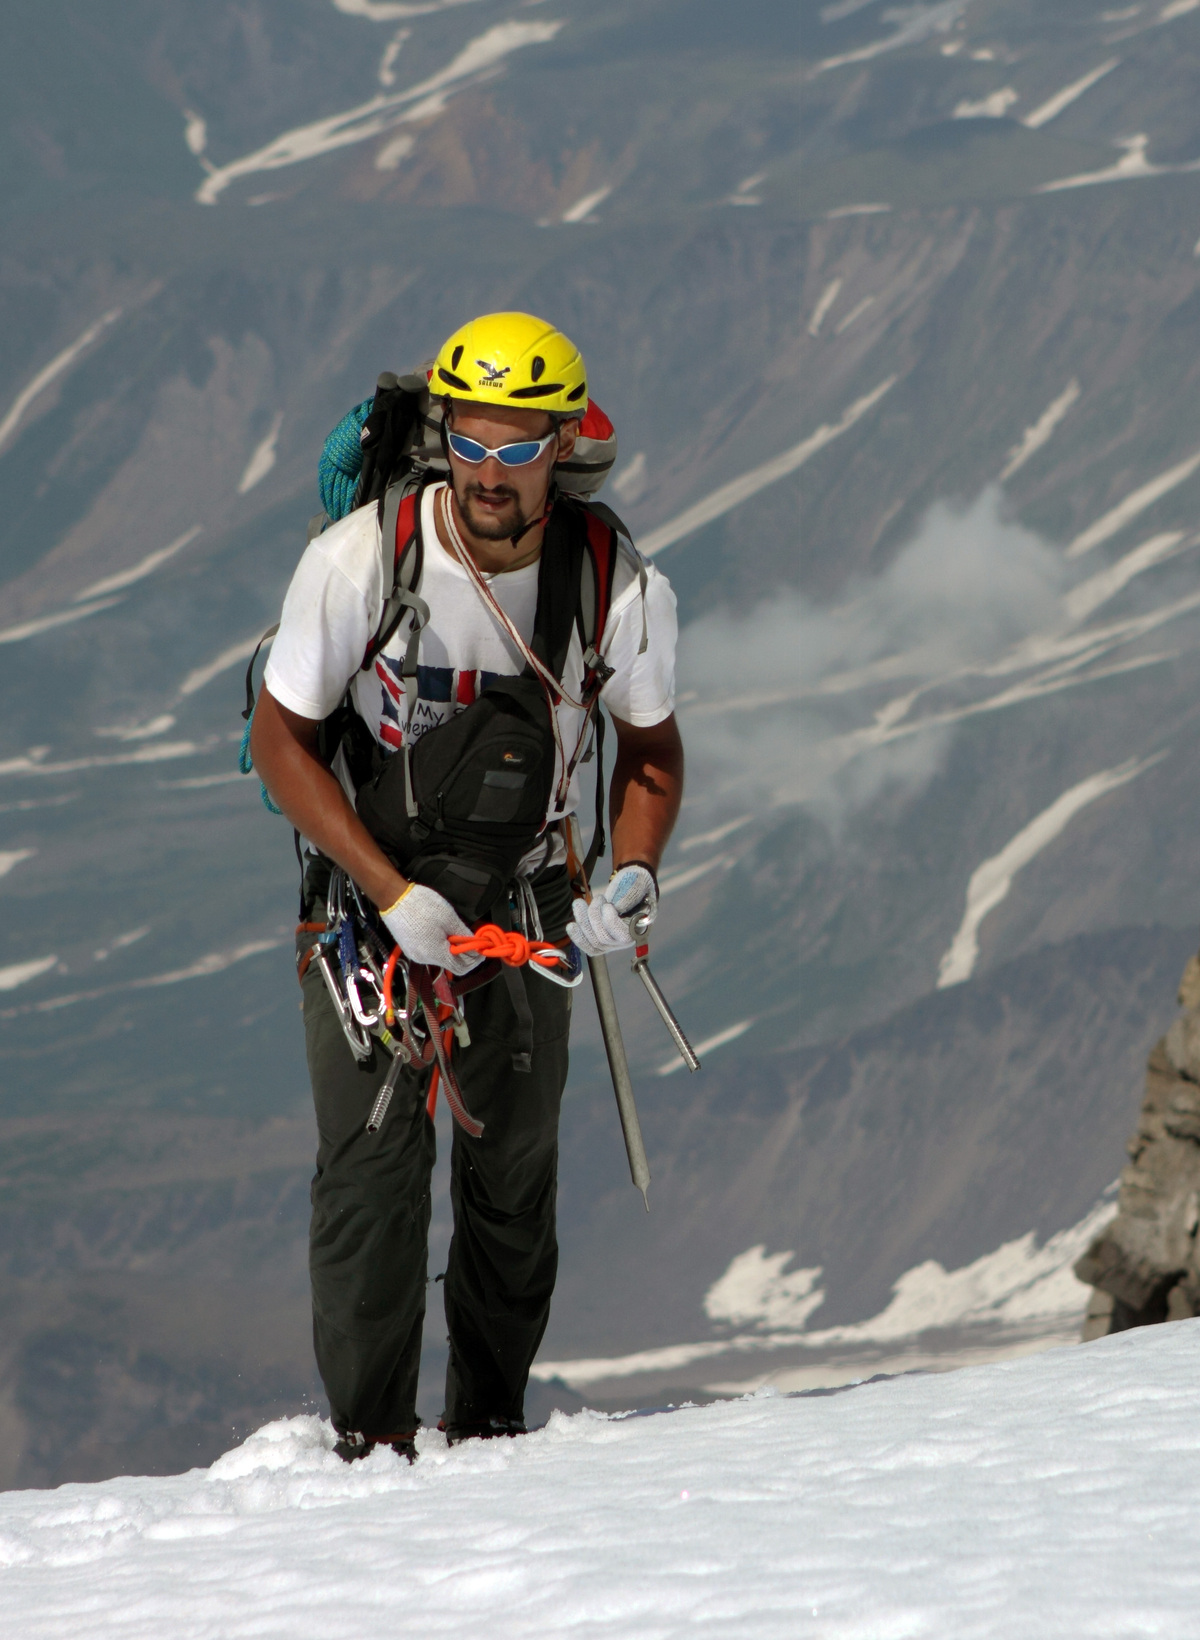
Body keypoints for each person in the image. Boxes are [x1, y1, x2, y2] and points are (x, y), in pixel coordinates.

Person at [250, 312, 683, 1459]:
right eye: (473, 442)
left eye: (519, 444)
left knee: (513, 1174)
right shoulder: (363, 561)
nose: (491, 473)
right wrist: (389, 891)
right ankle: (370, 1444)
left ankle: (490, 1427)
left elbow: (650, 750)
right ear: (443, 433)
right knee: (371, 1181)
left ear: (564, 444)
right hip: (367, 919)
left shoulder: (614, 585)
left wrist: (633, 870)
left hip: (527, 906)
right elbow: (283, 738)